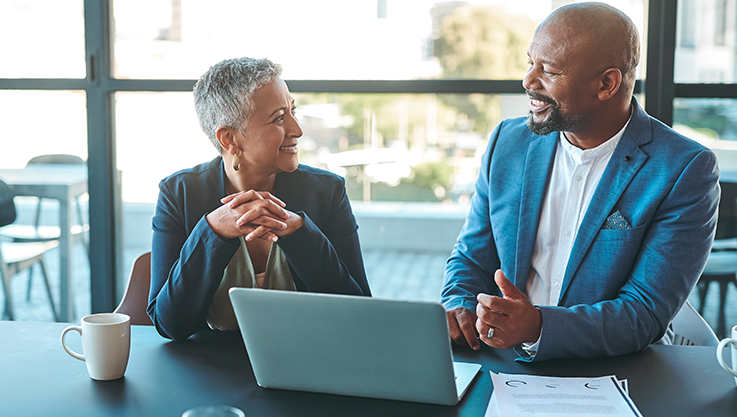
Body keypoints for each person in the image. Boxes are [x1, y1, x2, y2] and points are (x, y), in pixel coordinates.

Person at [442, 2, 720, 362]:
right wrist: (459, 305)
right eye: (530, 63)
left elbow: (644, 313)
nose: (528, 81)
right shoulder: (507, 143)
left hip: (613, 376)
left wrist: (539, 327)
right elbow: (470, 257)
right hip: (501, 361)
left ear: (606, 84)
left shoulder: (684, 170)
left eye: (550, 71)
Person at [148, 57, 371, 341]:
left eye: (293, 111)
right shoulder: (178, 194)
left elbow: (360, 311)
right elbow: (169, 325)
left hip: (311, 361)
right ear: (229, 139)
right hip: (211, 372)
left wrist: (300, 233)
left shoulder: (327, 192)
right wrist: (211, 232)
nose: (297, 129)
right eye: (279, 117)